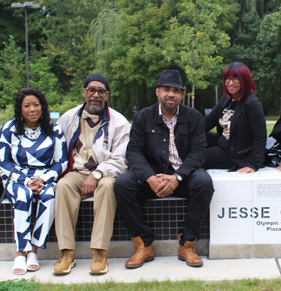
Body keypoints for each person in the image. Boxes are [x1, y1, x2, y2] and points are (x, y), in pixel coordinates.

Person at [115, 70, 214, 269]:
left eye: (176, 91)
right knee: (122, 184)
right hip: (153, 178)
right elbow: (133, 151)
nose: (171, 94)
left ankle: (187, 244)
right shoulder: (143, 117)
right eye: (167, 89)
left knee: (204, 183)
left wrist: (178, 176)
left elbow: (199, 152)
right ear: (157, 92)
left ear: (182, 94)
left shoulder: (193, 117)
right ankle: (143, 245)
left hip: (182, 177)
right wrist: (149, 177)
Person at [53, 74, 131, 275]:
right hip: (77, 171)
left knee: (106, 187)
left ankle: (99, 251)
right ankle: (66, 252)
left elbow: (121, 160)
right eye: (92, 90)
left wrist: (97, 175)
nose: (96, 95)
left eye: (101, 91)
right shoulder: (68, 118)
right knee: (62, 186)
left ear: (107, 96)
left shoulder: (119, 122)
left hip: (105, 171)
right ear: (84, 92)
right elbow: (57, 150)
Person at [0, 88, 68, 275]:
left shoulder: (54, 129)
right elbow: (2, 160)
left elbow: (62, 161)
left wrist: (42, 179)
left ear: (42, 107)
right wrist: (26, 181)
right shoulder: (8, 129)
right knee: (22, 194)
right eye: (27, 105)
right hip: (16, 177)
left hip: (44, 178)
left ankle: (33, 250)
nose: (32, 109)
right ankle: (20, 252)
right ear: (20, 109)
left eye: (36, 105)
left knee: (51, 195)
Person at [203, 62, 266, 173]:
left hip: (236, 154)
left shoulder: (251, 103)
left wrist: (253, 164)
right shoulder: (226, 99)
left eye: (236, 79)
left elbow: (260, 136)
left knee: (197, 156)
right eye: (227, 78)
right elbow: (207, 122)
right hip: (222, 142)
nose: (230, 83)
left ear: (244, 80)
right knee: (192, 136)